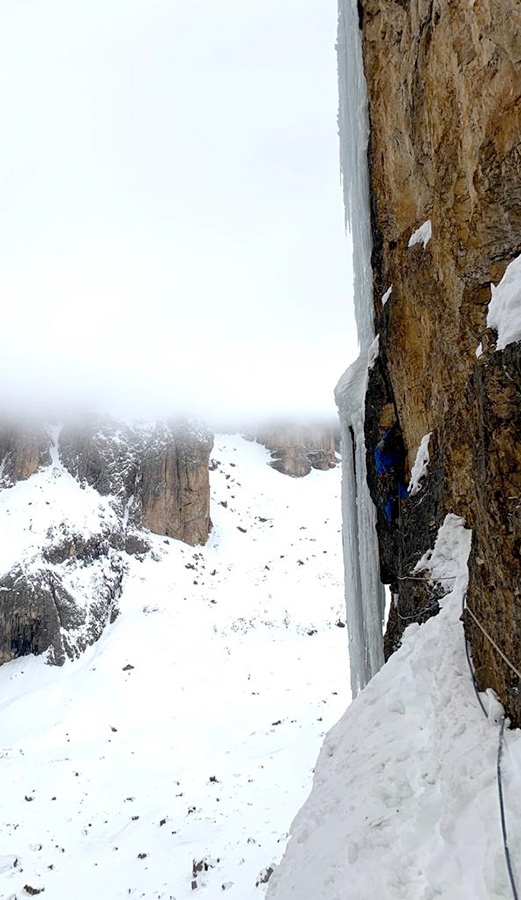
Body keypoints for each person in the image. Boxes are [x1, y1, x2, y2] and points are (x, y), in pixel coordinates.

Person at [374, 425, 407, 521]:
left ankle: (391, 518)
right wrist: (402, 451)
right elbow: (395, 458)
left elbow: (385, 439)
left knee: (390, 497)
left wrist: (392, 430)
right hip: (389, 477)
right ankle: (407, 497)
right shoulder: (384, 457)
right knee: (397, 489)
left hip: (384, 477)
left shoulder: (378, 451)